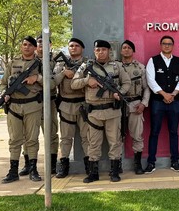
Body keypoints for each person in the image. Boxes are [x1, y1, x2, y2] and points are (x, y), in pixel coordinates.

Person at [72, 40, 131, 183]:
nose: (101, 52)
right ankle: (93, 173)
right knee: (93, 143)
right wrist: (87, 81)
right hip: (94, 112)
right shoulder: (86, 66)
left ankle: (114, 171)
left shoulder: (117, 66)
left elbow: (127, 83)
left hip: (112, 110)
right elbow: (74, 84)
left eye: (104, 50)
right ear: (94, 51)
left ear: (109, 51)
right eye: (98, 50)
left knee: (115, 141)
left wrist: (119, 93)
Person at [0, 36, 43, 183]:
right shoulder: (12, 63)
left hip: (32, 106)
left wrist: (37, 78)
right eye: (24, 44)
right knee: (14, 140)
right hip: (14, 107)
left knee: (32, 139)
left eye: (30, 45)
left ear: (35, 48)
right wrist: (4, 94)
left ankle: (33, 169)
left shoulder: (40, 64)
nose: (27, 47)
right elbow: (3, 83)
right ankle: (13, 171)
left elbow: (51, 84)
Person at [145, 35, 179, 173]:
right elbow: (150, 80)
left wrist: (173, 94)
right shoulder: (153, 60)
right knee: (154, 132)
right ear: (161, 45)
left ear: (173, 46)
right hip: (158, 102)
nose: (167, 46)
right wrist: (164, 94)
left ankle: (175, 162)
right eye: (164, 43)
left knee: (174, 132)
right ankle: (151, 163)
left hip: (174, 102)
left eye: (169, 44)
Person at [52, 37, 90, 178]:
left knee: (87, 137)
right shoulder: (61, 64)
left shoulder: (87, 64)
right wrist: (63, 73)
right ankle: (63, 165)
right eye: (71, 46)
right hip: (66, 105)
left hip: (83, 104)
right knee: (66, 138)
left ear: (82, 48)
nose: (73, 48)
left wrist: (78, 77)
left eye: (76, 46)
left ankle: (89, 166)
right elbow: (53, 81)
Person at [120, 39, 150, 175]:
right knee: (116, 136)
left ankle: (137, 164)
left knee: (137, 136)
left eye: (129, 48)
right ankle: (116, 164)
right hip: (117, 105)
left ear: (133, 51)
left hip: (135, 105)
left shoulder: (140, 67)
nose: (126, 50)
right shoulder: (115, 66)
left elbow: (146, 88)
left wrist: (143, 103)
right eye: (124, 47)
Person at [36, 35, 59, 175]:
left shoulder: (56, 60)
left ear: (50, 45)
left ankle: (52, 164)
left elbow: (56, 80)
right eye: (39, 42)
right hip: (31, 101)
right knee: (29, 135)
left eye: (45, 42)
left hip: (49, 101)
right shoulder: (28, 59)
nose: (41, 45)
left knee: (50, 133)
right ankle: (29, 164)